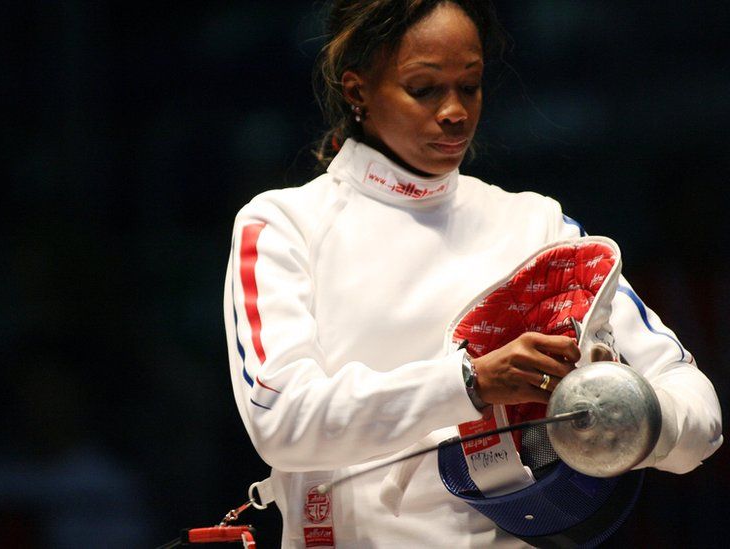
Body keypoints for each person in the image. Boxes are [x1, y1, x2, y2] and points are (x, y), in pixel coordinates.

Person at [222, 0, 723, 547]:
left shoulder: (538, 226)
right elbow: (284, 421)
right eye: (425, 88)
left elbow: (696, 406)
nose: (455, 111)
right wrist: (472, 383)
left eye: (471, 85)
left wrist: (620, 413)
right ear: (357, 91)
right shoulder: (283, 225)